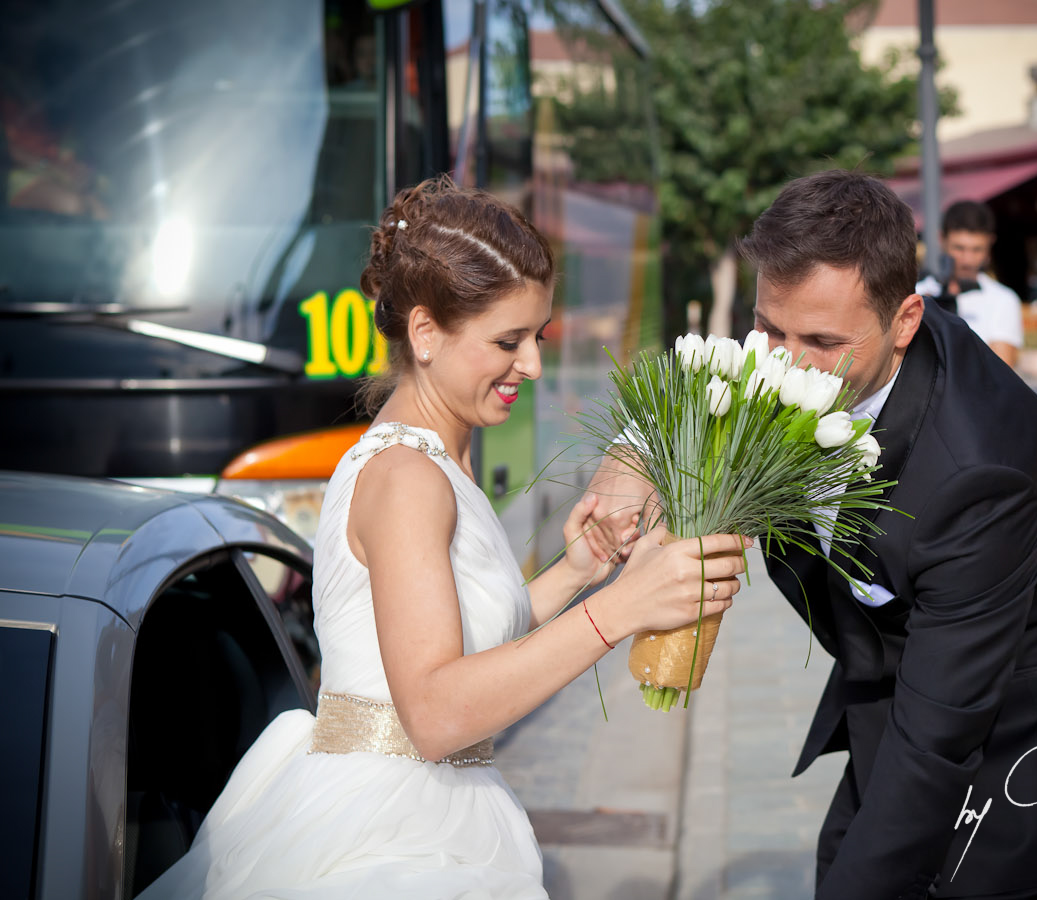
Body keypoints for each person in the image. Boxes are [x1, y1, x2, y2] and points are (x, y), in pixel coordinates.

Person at [135, 175, 749, 899]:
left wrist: (578, 570)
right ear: (425, 333)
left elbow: (462, 639)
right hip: (392, 831)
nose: (533, 364)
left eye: (538, 336)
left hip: (412, 809)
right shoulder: (407, 476)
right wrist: (618, 611)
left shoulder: (431, 458)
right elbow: (431, 712)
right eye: (508, 341)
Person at [587, 171, 1037, 899]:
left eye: (820, 340)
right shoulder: (807, 337)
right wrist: (632, 457)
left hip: (1027, 741)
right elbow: (720, 374)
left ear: (905, 321)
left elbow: (938, 742)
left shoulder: (980, 479)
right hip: (901, 687)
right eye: (770, 329)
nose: (782, 364)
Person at [914, 200, 1023, 368]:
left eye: (976, 249)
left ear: (990, 244)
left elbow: (1001, 372)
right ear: (941, 239)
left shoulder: (1003, 300)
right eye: (959, 248)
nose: (967, 260)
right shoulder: (916, 294)